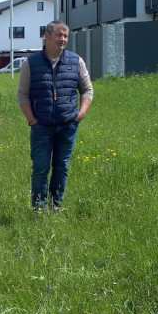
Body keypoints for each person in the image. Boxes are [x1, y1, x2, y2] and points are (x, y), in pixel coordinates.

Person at [17, 21, 93, 211]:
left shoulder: (76, 61)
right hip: (41, 126)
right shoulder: (31, 63)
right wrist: (32, 120)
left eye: (66, 36)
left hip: (68, 125)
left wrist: (81, 114)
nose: (63, 39)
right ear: (48, 36)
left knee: (61, 168)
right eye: (59, 35)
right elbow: (22, 94)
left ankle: (56, 207)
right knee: (41, 169)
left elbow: (87, 90)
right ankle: (39, 209)